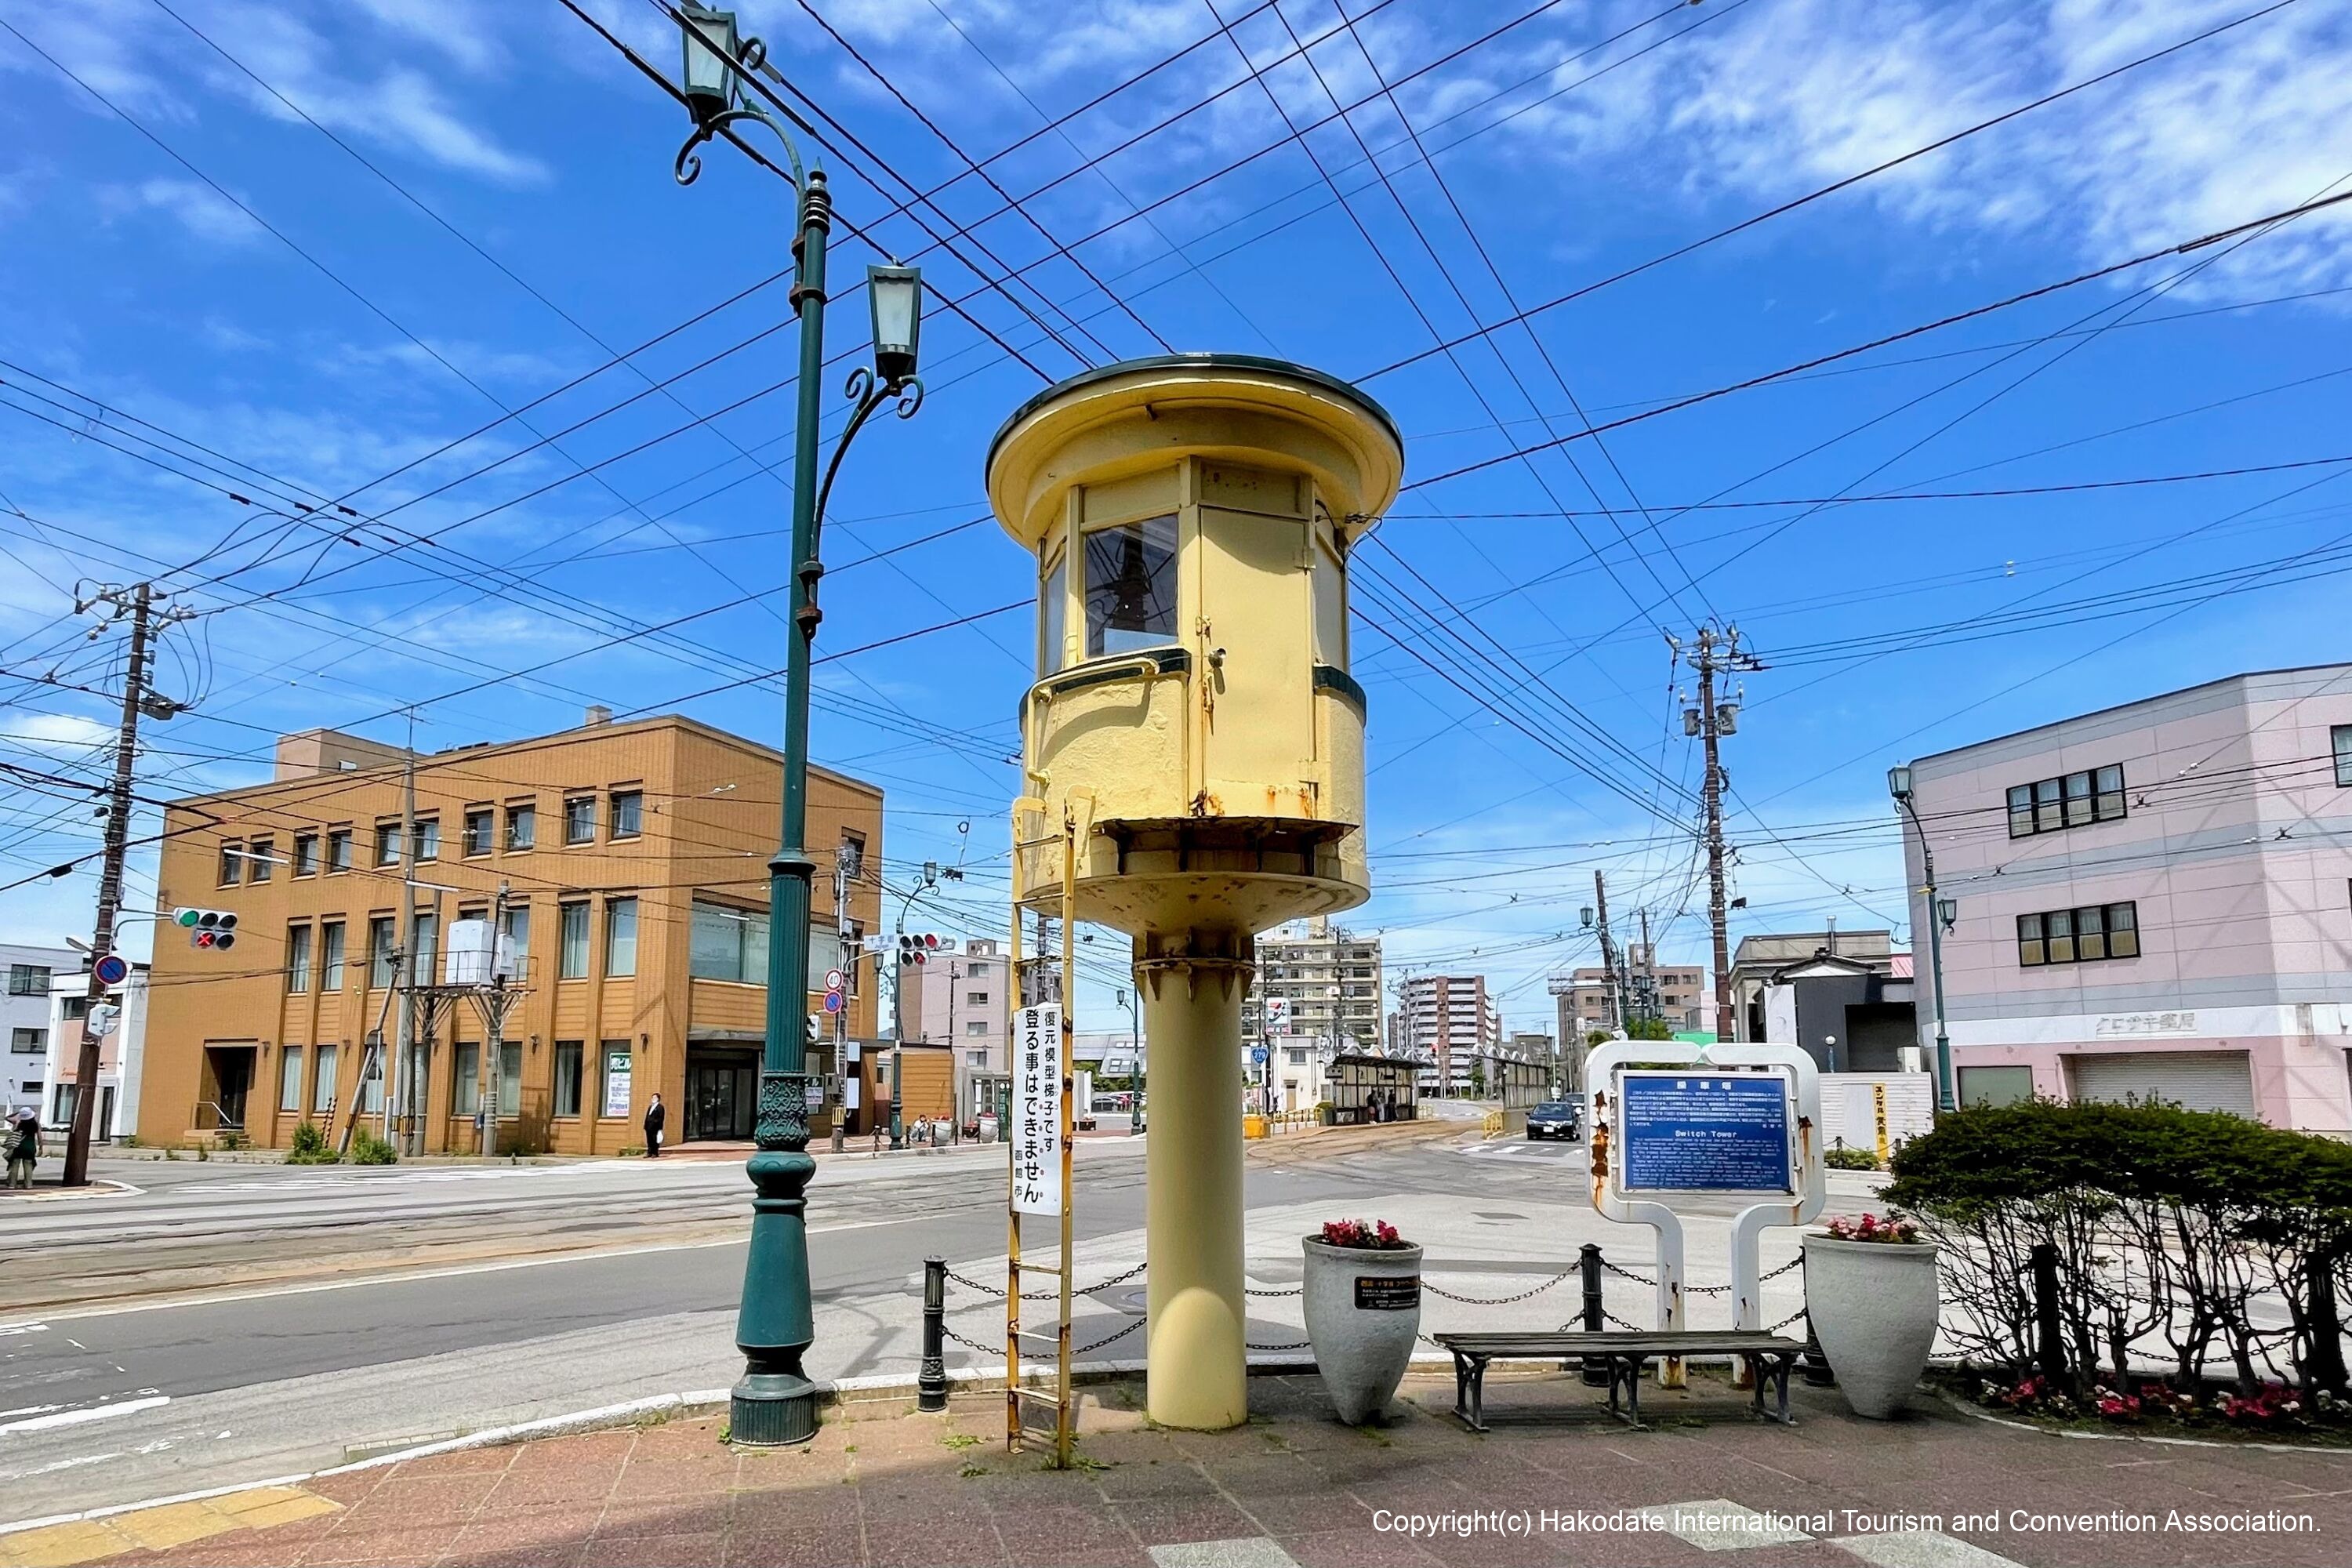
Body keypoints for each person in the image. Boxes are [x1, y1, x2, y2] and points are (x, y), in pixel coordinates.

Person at [6, 1110, 38, 1189]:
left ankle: (12, 1184)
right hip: (29, 1146)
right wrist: (41, 1147)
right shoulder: (35, 1124)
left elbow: (7, 1118)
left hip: (18, 1146)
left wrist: (18, 1112)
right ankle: (28, 1184)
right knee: (28, 1165)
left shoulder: (18, 1122)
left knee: (15, 1165)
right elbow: (40, 1137)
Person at [642, 1093, 665, 1158]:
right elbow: (647, 1116)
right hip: (648, 1126)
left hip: (655, 1127)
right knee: (649, 1140)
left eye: (655, 1098)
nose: (653, 1099)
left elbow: (661, 1118)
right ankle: (649, 1152)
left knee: (655, 1140)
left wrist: (659, 1126)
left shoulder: (660, 1107)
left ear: (658, 1099)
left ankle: (655, 1153)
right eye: (652, 1098)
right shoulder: (650, 1107)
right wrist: (645, 1125)